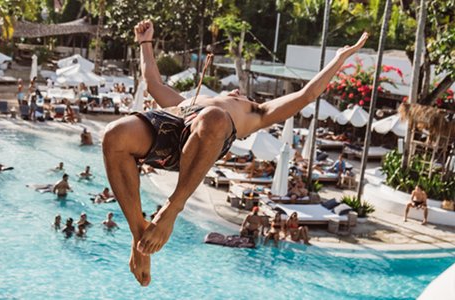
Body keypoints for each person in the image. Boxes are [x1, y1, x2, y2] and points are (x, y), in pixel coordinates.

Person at [101, 19, 368, 286]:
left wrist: (338, 59)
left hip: (206, 138)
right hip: (177, 123)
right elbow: (152, 83)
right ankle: (139, 236)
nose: (240, 94)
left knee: (215, 117)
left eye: (244, 96)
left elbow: (307, 94)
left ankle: (171, 210)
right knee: (114, 135)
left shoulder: (258, 113)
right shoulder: (191, 100)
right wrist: (145, 42)